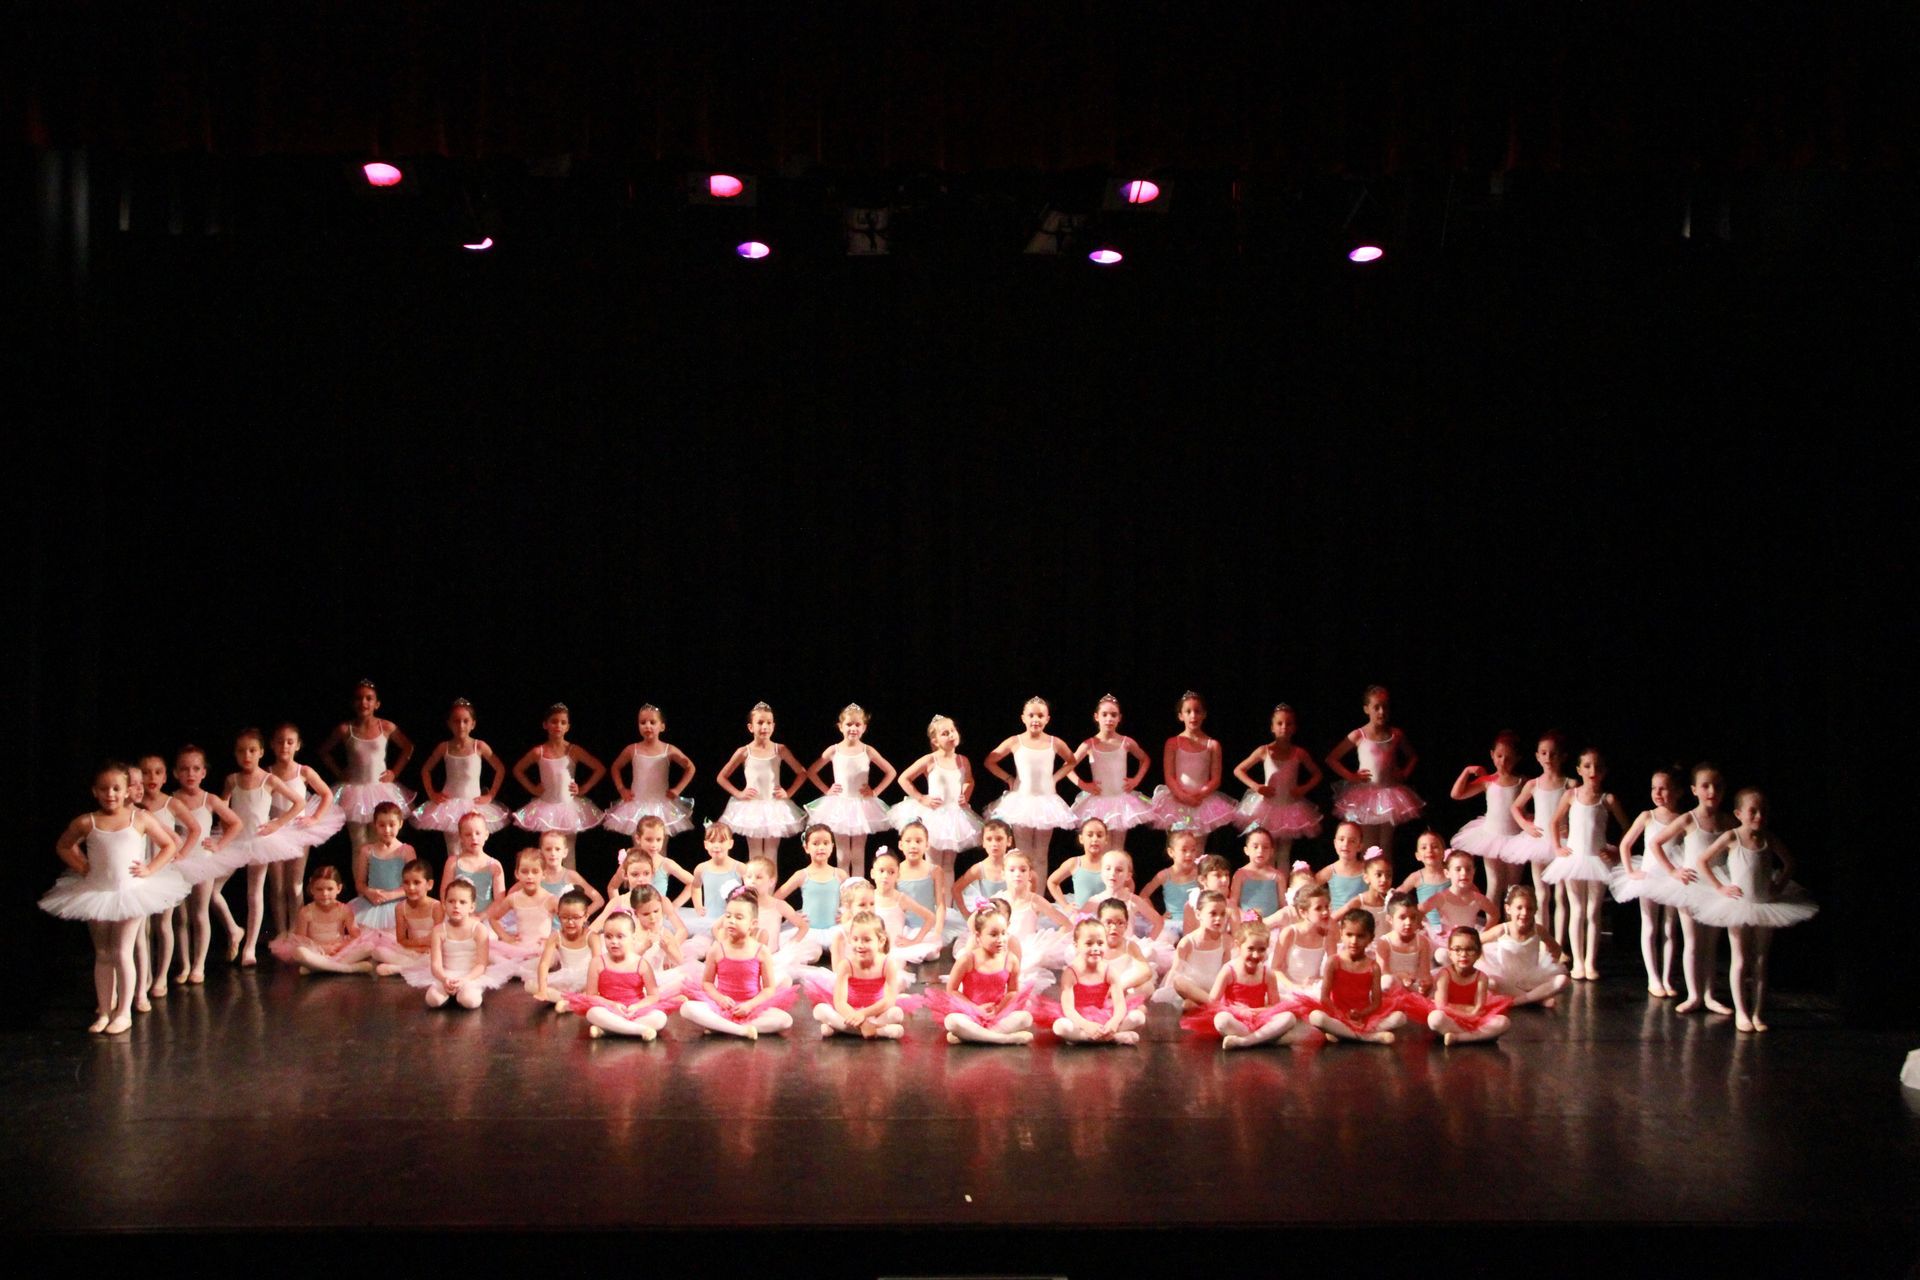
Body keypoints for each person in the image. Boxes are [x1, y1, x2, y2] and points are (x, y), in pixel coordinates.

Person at [42, 762, 188, 1034]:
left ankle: (124, 1012)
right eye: (104, 789)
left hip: (131, 893)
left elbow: (169, 845)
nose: (110, 794)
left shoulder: (140, 819)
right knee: (103, 953)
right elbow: (63, 845)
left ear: (127, 791)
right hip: (97, 893)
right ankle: (105, 1010)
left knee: (122, 951)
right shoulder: (87, 821)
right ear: (95, 791)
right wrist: (81, 865)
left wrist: (150, 869)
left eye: (116, 788)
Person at [1686, 789, 1818, 1032]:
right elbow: (1703, 860)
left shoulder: (1769, 838)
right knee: (1740, 959)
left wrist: (1779, 885)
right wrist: (1720, 887)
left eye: (1763, 811)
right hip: (1737, 907)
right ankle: (1742, 1013)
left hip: (1765, 905)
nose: (1759, 816)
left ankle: (1757, 1013)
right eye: (1753, 811)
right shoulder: (1732, 837)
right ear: (1738, 814)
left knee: (1760, 960)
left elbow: (1789, 863)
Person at [1542, 748, 1628, 981]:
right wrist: (1558, 848)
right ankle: (1577, 962)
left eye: (1598, 767)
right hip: (1573, 860)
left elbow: (1627, 828)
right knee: (1577, 909)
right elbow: (1554, 821)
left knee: (1593, 910)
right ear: (1579, 770)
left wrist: (1614, 849)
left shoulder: (1607, 799)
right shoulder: (1571, 795)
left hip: (1596, 861)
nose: (1593, 771)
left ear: (1605, 771)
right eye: (1587, 766)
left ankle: (1590, 962)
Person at [1609, 767, 1688, 998]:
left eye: (1664, 788)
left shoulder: (1683, 819)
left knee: (1669, 929)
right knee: (1650, 926)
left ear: (1678, 791)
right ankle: (1653, 978)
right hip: (1650, 877)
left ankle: (1667, 977)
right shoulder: (1647, 816)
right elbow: (1626, 844)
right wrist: (1631, 870)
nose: (1658, 792)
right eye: (1654, 788)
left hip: (1672, 878)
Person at [678, 888, 799, 1039]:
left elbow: (768, 989)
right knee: (686, 1008)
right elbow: (707, 983)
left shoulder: (761, 951)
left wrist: (749, 1005)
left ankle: (720, 1026)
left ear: (752, 924)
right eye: (728, 916)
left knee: (785, 1020)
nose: (731, 921)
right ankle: (739, 1030)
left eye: (739, 917)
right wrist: (720, 999)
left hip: (750, 1007)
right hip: (722, 1006)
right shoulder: (717, 949)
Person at [981, 696, 1079, 879]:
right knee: (1023, 853)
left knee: (1041, 854)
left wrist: (1055, 778)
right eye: (1031, 715)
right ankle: (1023, 896)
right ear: (1023, 718)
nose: (1036, 720)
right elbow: (990, 761)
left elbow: (1071, 761)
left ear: (1047, 719)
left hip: (1046, 802)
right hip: (1021, 801)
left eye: (1040, 716)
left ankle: (1038, 898)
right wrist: (1008, 778)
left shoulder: (1054, 742)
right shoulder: (1015, 741)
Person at [1324, 684, 1422, 860]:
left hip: (1390, 795)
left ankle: (1385, 884)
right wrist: (1351, 777)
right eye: (1376, 707)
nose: (1382, 711)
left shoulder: (1396, 735)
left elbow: (1413, 756)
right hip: (1366, 796)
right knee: (1368, 844)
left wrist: (1405, 773)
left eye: (1385, 706)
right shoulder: (1359, 735)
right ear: (1366, 709)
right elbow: (1332, 758)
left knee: (1386, 846)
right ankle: (1368, 883)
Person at [802, 703, 899, 878]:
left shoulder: (867, 750)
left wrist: (875, 792)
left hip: (861, 806)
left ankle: (859, 892)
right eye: (849, 724)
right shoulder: (834, 750)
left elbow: (891, 772)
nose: (853, 728)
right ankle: (844, 892)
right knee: (842, 854)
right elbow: (811, 771)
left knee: (858, 853)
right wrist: (827, 790)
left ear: (864, 728)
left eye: (857, 725)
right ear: (840, 727)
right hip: (839, 805)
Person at [318, 678, 415, 851]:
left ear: (377, 704)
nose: (364, 702)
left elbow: (408, 747)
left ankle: (376, 876)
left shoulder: (386, 726)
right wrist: (338, 772)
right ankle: (360, 878)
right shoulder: (345, 729)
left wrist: (395, 772)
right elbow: (324, 751)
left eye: (369, 698)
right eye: (359, 698)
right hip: (354, 791)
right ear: (353, 703)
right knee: (358, 842)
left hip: (380, 790)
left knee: (379, 839)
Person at [410, 698, 510, 858]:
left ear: (473, 724)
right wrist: (432, 794)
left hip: (474, 804)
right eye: (456, 721)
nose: (461, 725)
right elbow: (426, 769)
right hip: (449, 807)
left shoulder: (479, 746)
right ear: (449, 723)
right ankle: (455, 882)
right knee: (453, 851)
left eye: (465, 721)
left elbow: (500, 768)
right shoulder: (445, 747)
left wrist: (491, 795)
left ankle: (472, 881)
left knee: (474, 848)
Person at [1181, 920, 1304, 1049]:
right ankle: (1267, 1038)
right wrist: (1238, 1011)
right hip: (1236, 1020)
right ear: (1238, 946)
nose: (1256, 955)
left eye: (1261, 950)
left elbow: (1274, 1006)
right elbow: (1213, 1003)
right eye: (1250, 949)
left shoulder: (1267, 974)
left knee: (1289, 1018)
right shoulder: (1229, 970)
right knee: (1221, 1020)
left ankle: (1245, 1041)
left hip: (1260, 1019)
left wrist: (1255, 1011)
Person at [509, 703, 606, 864]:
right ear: (545, 725)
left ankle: (569, 887)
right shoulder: (538, 751)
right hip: (546, 808)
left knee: (568, 851)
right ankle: (547, 886)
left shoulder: (573, 750)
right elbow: (517, 769)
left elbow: (599, 768)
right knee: (547, 850)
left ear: (568, 727)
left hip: (569, 808)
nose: (558, 726)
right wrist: (533, 788)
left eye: (563, 722)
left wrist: (583, 788)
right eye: (554, 721)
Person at [888, 715, 985, 876]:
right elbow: (903, 779)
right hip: (933, 816)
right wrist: (921, 798)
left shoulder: (963, 761)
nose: (951, 735)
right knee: (933, 864)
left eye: (952, 731)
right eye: (945, 733)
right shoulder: (930, 760)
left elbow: (969, 780)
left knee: (948, 865)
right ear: (935, 741)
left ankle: (945, 901)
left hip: (954, 815)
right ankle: (932, 900)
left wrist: (965, 794)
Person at [714, 702, 810, 864]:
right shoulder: (744, 751)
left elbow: (801, 773)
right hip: (752, 808)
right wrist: (739, 793)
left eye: (768, 723)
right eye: (760, 722)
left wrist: (789, 793)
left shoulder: (780, 749)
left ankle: (769, 890)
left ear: (773, 726)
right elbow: (721, 777)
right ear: (751, 727)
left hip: (775, 807)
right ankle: (754, 889)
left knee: (771, 855)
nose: (764, 726)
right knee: (755, 854)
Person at [930, 903, 1038, 1045]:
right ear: (978, 936)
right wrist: (976, 1009)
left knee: (1026, 1017)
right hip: (971, 1013)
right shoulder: (967, 960)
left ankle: (972, 1036)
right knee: (952, 1021)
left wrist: (999, 1009)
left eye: (1004, 933)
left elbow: (1012, 991)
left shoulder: (1011, 960)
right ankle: (1003, 1039)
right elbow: (952, 989)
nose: (1000, 939)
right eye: (993, 935)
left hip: (997, 1015)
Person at [1230, 702, 1325, 861]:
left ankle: (1282, 884)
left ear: (1294, 727)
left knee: (1284, 853)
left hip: (1289, 808)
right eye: (1280, 723)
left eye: (1289, 723)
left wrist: (1304, 788)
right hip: (1267, 809)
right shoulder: (1264, 751)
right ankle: (1268, 883)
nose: (1284, 727)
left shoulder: (1299, 753)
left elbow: (1317, 774)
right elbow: (1238, 770)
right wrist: (1256, 787)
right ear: (1272, 727)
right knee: (1267, 851)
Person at [1447, 731, 1528, 914]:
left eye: (1509, 757)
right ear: (1492, 755)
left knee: (1513, 887)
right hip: (1491, 836)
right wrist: (1467, 771)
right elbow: (1456, 794)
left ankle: (1511, 928)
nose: (1503, 762)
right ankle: (1492, 928)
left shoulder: (1523, 782)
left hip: (1516, 838)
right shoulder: (1488, 781)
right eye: (1499, 756)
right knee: (1494, 884)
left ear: (1518, 758)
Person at [1064, 693, 1155, 854]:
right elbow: (1068, 766)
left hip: (1121, 802)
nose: (1109, 719)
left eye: (1113, 715)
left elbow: (1145, 759)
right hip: (1099, 803)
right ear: (1096, 717)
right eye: (1104, 715)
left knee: (1118, 849)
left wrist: (1136, 780)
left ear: (1119, 717)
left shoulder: (1126, 742)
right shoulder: (1089, 744)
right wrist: (1084, 785)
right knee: (1100, 849)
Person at [1146, 690, 1239, 835]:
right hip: (1176, 802)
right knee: (1178, 844)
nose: (1193, 716)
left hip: (1202, 802)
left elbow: (1215, 779)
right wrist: (1182, 796)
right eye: (1188, 711)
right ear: (1180, 716)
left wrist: (1199, 795)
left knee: (1198, 846)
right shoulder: (1172, 743)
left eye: (1197, 711)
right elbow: (1169, 776)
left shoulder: (1213, 745)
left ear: (1204, 714)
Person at [600, 704, 697, 840]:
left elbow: (690, 767)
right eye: (643, 722)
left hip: (662, 806)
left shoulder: (668, 750)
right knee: (639, 846)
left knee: (659, 847)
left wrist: (678, 789)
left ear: (662, 726)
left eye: (652, 722)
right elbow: (615, 767)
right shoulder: (632, 749)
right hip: (636, 805)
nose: (647, 726)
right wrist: (621, 788)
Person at [1307, 910, 1405, 1044]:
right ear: (1341, 934)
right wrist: (1341, 1016)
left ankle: (1344, 1034)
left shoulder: (1373, 967)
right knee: (1316, 1017)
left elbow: (1376, 1002)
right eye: (1349, 935)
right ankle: (1367, 1037)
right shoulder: (1334, 962)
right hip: (1337, 1014)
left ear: (1370, 938)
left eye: (1360, 936)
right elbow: (1325, 998)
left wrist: (1362, 1014)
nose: (1354, 941)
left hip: (1363, 1017)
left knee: (1400, 1018)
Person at [811, 910, 911, 1039]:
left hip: (875, 1013)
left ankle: (841, 1029)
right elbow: (840, 1002)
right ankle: (877, 1031)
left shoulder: (888, 964)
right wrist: (863, 1023)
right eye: (855, 939)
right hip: (849, 1013)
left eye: (866, 940)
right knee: (819, 1010)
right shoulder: (846, 966)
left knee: (896, 1013)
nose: (860, 945)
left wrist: (863, 1014)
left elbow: (889, 1000)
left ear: (880, 941)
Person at [1045, 920, 1146, 1046]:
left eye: (1100, 943)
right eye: (1089, 943)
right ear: (1076, 945)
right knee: (1061, 1027)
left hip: (1102, 1015)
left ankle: (1093, 1037)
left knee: (1138, 1017)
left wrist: (1114, 1022)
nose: (1096, 948)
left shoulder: (1109, 971)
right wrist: (1086, 1025)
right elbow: (1069, 1009)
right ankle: (1110, 1038)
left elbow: (1120, 1004)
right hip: (1078, 1018)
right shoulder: (1071, 973)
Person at [266, 866, 374, 974]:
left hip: (339, 950)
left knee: (369, 946)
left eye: (330, 889)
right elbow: (301, 940)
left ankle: (317, 967)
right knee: (299, 952)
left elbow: (355, 935)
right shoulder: (306, 912)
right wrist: (323, 948)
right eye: (319, 889)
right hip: (317, 951)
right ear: (312, 889)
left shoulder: (344, 910)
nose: (325, 894)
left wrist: (340, 946)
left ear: (339, 888)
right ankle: (348, 968)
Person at [1427, 927, 1514, 1045]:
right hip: (1451, 1019)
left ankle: (1460, 1038)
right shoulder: (1444, 975)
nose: (1463, 954)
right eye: (1457, 950)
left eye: (1470, 950)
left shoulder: (1481, 977)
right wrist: (1468, 1012)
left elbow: (1479, 1009)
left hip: (1475, 1020)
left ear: (1478, 953)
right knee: (1435, 1018)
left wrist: (1464, 1011)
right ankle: (1479, 1036)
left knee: (1504, 1022)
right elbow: (1442, 1006)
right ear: (1450, 953)